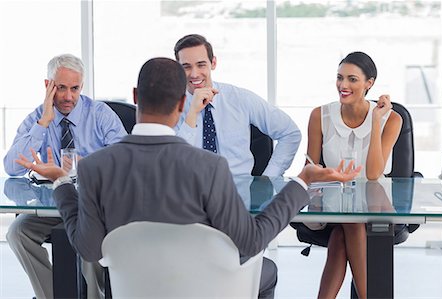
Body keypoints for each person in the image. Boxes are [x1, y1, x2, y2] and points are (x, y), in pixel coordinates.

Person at [15, 57, 361, 299]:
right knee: (264, 270)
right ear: (183, 103)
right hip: (208, 291)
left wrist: (62, 183)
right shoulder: (210, 167)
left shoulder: (94, 169)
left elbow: (88, 247)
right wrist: (301, 181)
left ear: (135, 98)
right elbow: (250, 241)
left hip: (135, 290)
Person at [3, 53, 127, 299]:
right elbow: (11, 166)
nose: (69, 97)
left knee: (88, 238)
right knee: (17, 233)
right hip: (57, 206)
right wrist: (43, 123)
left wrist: (88, 167)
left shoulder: (99, 114)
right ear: (48, 86)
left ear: (82, 86)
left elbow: (125, 159)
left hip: (94, 209)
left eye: (75, 88)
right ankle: (54, 295)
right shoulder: (39, 116)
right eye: (61, 88)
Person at [296, 51, 402, 299]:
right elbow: (309, 170)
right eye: (339, 78)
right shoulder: (319, 116)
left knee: (342, 235)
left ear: (370, 83)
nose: (343, 85)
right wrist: (327, 176)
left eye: (352, 79)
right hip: (329, 203)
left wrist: (376, 122)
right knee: (349, 223)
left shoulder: (392, 120)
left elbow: (374, 173)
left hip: (374, 206)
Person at [173, 34, 301, 176]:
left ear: (213, 63)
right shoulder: (169, 109)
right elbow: (173, 161)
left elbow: (290, 132)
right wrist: (193, 112)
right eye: (186, 67)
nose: (194, 74)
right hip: (190, 193)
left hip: (238, 193)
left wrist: (268, 179)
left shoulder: (240, 99)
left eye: (201, 65)